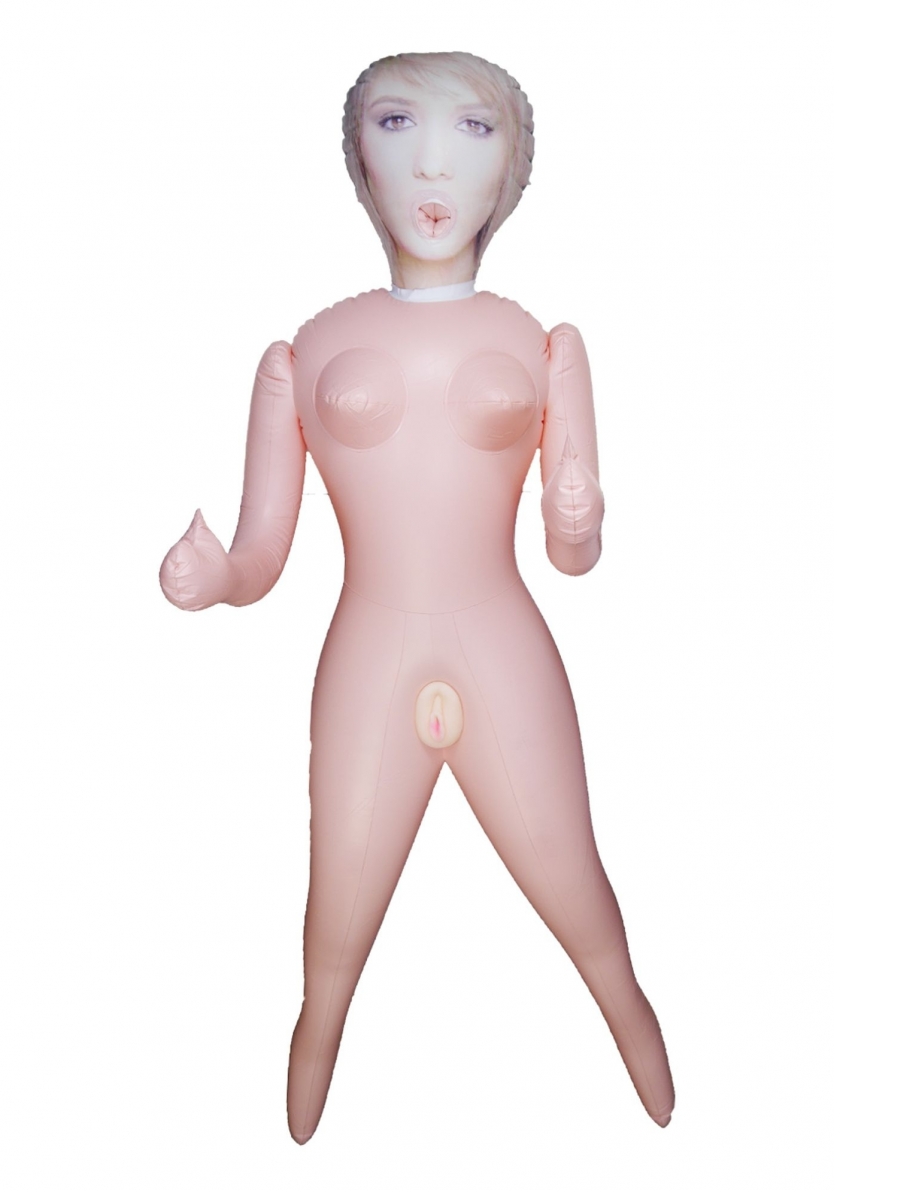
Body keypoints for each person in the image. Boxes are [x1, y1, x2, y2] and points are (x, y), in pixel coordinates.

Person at [160, 50, 675, 1144]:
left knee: (580, 894)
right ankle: (310, 1067)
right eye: (397, 124)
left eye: (473, 132)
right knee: (333, 930)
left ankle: (638, 1035)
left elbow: (573, 556)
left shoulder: (544, 346)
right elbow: (263, 553)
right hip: (369, 659)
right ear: (359, 158)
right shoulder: (305, 353)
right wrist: (217, 581)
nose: (433, 163)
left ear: (512, 173)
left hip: (504, 650)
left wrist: (579, 517)